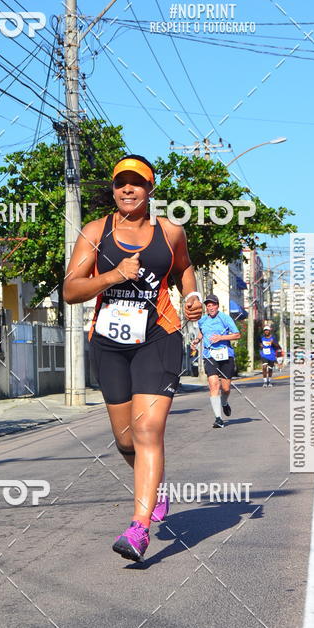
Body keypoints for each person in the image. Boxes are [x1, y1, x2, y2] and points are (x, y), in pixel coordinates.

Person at [63, 154, 202, 563]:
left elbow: (185, 269)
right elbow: (70, 290)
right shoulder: (95, 231)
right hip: (110, 343)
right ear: (113, 189)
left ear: (149, 190)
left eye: (136, 183)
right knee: (126, 440)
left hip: (159, 336)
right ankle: (157, 487)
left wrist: (192, 296)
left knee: (147, 431)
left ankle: (138, 528)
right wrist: (114, 275)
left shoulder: (170, 231)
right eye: (121, 182)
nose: (128, 189)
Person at [192, 295, 240, 428]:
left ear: (217, 306)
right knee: (214, 385)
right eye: (208, 305)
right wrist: (197, 340)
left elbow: (237, 334)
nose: (211, 307)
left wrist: (221, 338)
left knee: (226, 388)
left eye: (213, 305)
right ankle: (218, 419)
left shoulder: (225, 318)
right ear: (206, 308)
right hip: (209, 355)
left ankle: (224, 402)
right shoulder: (202, 320)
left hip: (226, 355)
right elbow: (202, 333)